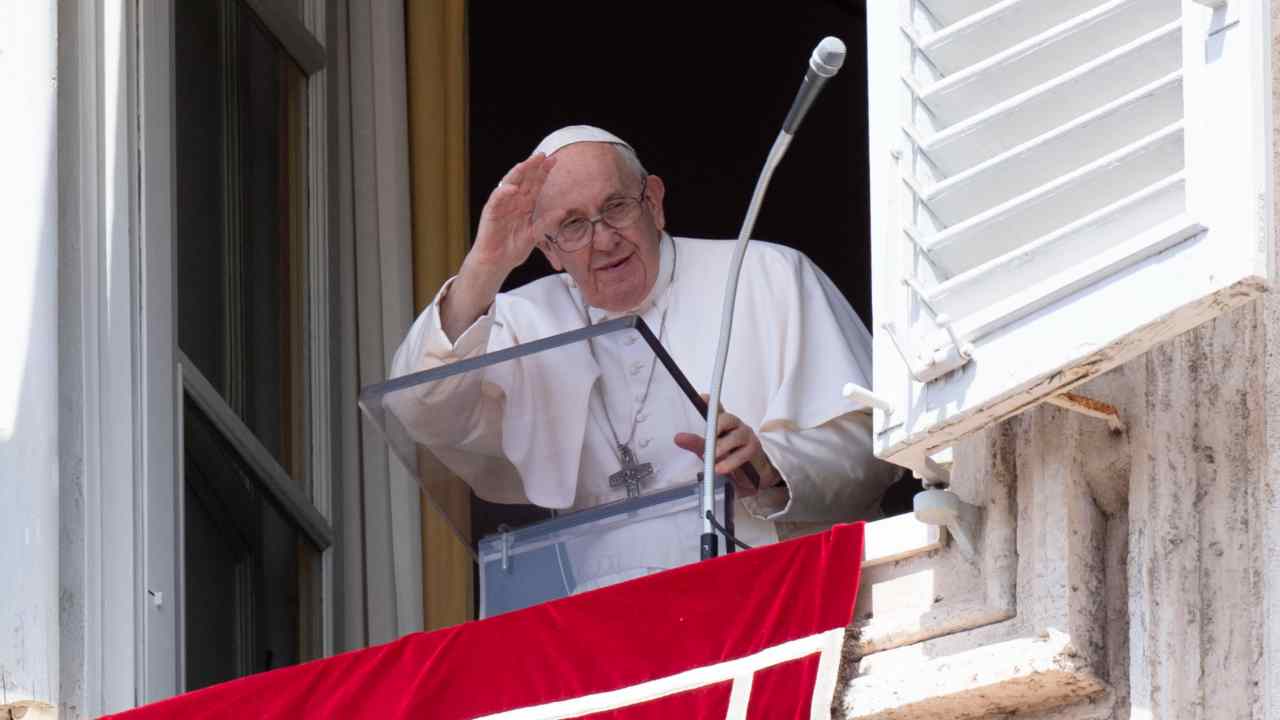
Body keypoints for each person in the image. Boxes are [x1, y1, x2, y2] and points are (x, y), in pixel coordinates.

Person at [389, 126, 899, 585]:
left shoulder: (767, 275)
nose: (603, 240)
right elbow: (419, 408)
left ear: (653, 201)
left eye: (616, 207)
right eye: (571, 226)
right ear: (547, 249)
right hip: (603, 619)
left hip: (767, 589)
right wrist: (484, 266)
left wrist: (771, 465)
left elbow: (875, 446)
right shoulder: (517, 322)